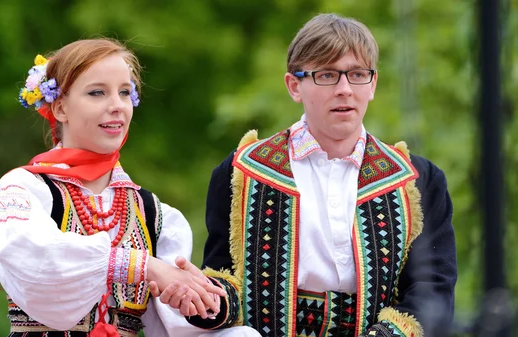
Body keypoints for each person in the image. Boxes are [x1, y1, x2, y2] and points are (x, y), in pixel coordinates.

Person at [161, 13, 457, 337]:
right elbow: (228, 282)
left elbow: (432, 292)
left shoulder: (415, 180)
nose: (344, 89)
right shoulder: (243, 172)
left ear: (373, 84)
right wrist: (202, 298)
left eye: (357, 74)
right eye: (327, 75)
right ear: (294, 86)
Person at [0, 38, 229, 337]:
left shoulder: (153, 213)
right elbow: (34, 259)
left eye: (125, 92)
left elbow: (176, 328)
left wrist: (194, 301)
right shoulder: (25, 189)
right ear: (60, 108)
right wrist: (143, 266)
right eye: (97, 92)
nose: (116, 106)